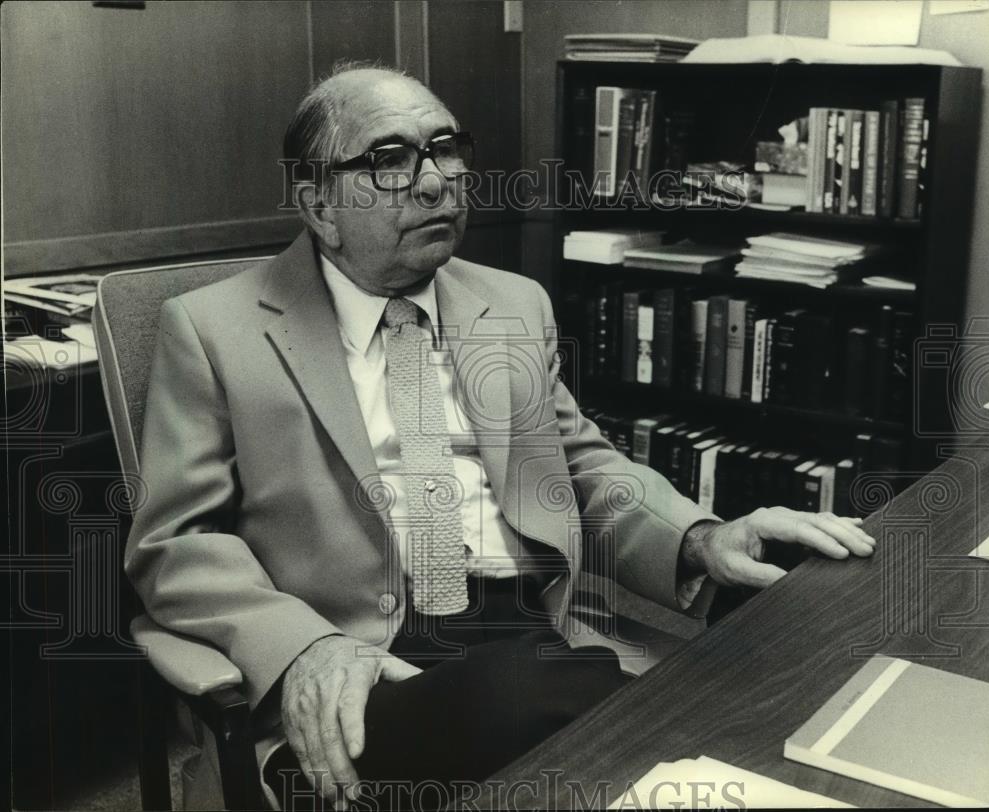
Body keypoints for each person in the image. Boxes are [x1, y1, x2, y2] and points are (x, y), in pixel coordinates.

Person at [126, 63, 876, 810]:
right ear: (319, 203)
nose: (433, 182)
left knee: (788, 619)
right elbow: (176, 543)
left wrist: (702, 538)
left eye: (445, 148)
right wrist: (300, 648)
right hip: (364, 667)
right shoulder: (216, 330)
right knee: (574, 705)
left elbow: (576, 467)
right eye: (389, 161)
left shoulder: (512, 303)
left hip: (525, 629)